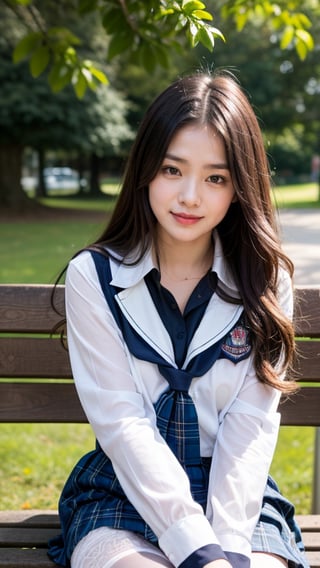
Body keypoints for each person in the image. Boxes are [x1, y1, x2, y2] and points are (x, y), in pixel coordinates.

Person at [48, 71, 309, 568]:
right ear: (146, 168)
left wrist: (224, 551)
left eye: (216, 178)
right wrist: (195, 549)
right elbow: (122, 424)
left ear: (240, 187)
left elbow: (250, 425)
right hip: (122, 491)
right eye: (172, 170)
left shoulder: (265, 281)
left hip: (236, 499)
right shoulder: (95, 277)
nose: (190, 196)